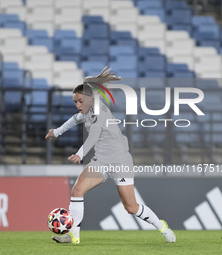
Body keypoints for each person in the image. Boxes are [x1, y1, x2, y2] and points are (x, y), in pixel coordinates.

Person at [45, 67, 176, 244]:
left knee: (131, 207)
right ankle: (74, 236)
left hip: (120, 160)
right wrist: (57, 132)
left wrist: (79, 154)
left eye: (80, 101)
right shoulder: (88, 111)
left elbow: (94, 136)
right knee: (77, 190)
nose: (78, 106)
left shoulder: (99, 112)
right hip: (102, 160)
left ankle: (162, 226)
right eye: (75, 102)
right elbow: (75, 119)